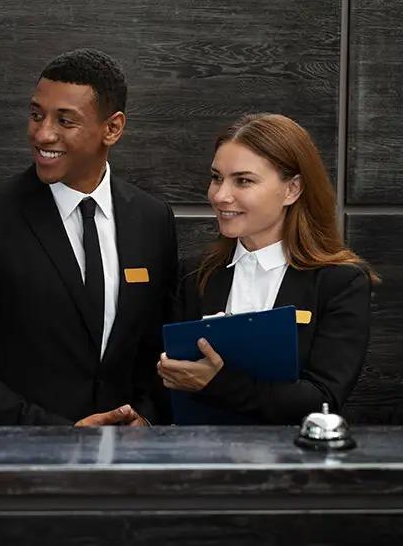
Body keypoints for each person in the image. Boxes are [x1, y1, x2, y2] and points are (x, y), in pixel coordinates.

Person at [0, 49, 178, 426]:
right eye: (36, 115)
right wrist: (58, 433)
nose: (43, 133)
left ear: (112, 129)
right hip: (23, 453)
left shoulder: (153, 219)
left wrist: (145, 417)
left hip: (126, 455)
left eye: (65, 120)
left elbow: (162, 347)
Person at [158, 113, 376, 424]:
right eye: (217, 177)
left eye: (243, 181)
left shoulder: (341, 281)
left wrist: (217, 383)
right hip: (197, 450)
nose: (220, 195)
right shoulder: (194, 274)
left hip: (294, 454)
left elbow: (322, 400)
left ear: (292, 189)